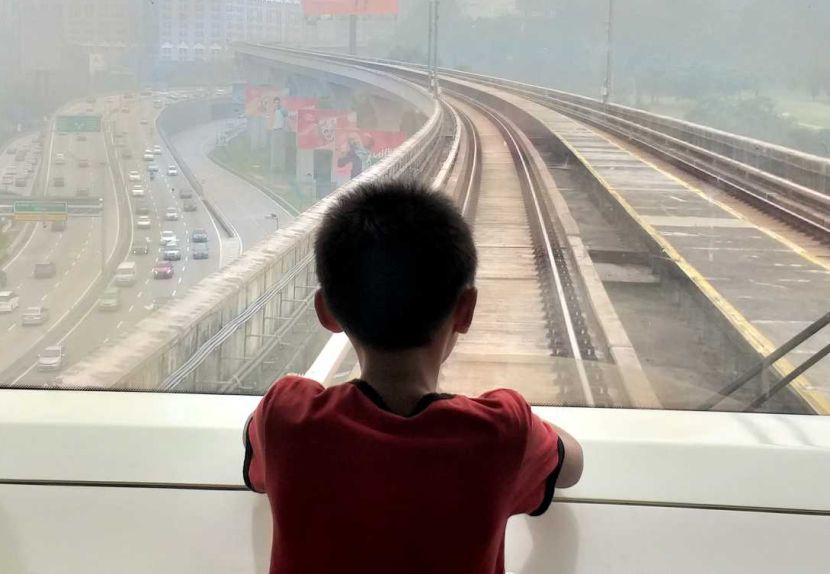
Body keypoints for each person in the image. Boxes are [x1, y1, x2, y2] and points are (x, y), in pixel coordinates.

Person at [243, 179, 583, 574]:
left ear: (327, 312)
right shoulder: (502, 429)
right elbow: (571, 464)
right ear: (466, 311)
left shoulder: (286, 414)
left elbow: (256, 453)